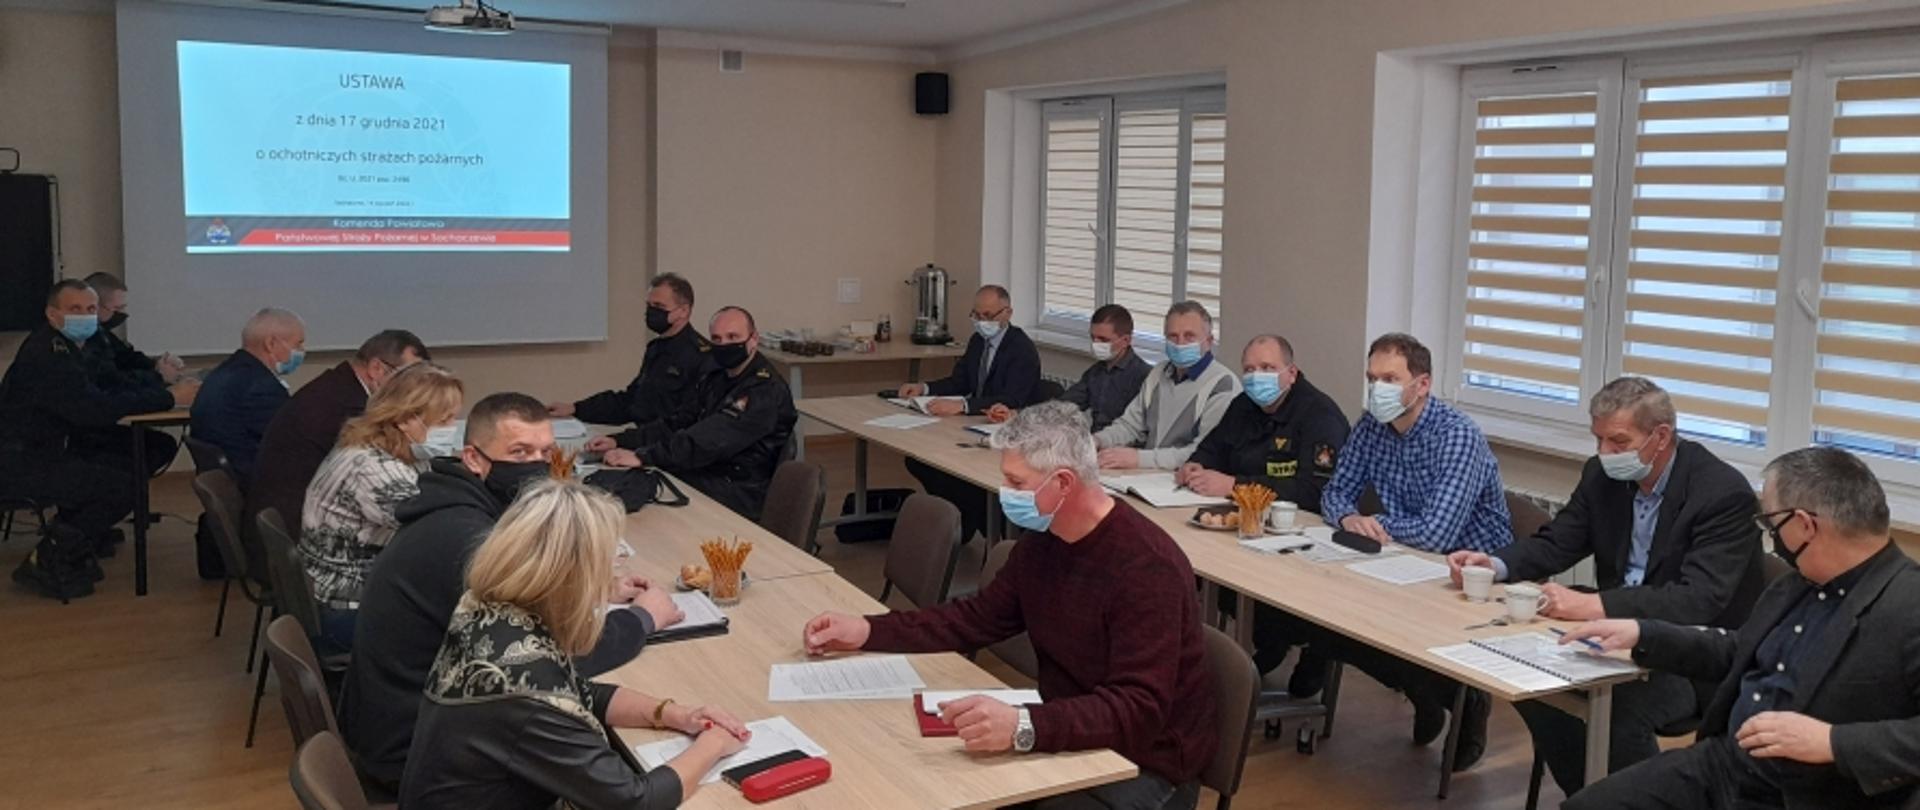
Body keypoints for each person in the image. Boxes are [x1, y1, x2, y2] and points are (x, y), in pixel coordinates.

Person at [802, 402, 1216, 810]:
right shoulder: (1045, 539)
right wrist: (869, 630)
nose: (1006, 495)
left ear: (1064, 483)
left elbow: (1137, 710)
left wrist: (1023, 726)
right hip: (1071, 727)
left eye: (1017, 484)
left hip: (1145, 763)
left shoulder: (1145, 568)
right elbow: (978, 617)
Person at [341, 392, 684, 793]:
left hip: (410, 719)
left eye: (544, 454)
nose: (535, 467)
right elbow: (554, 661)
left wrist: (597, 587)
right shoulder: (469, 544)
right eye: (519, 453)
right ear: (473, 458)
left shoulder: (456, 510)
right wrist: (644, 618)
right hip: (417, 749)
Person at [1447, 377, 1765, 793]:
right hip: (1609, 639)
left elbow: (1697, 600)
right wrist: (1496, 563)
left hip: (1689, 654)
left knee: (1619, 713)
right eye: (1598, 439)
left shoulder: (1721, 494)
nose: (1604, 453)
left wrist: (1594, 606)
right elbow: (1560, 541)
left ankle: (1639, 801)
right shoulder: (1602, 475)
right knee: (1531, 685)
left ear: (1661, 436)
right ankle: (1592, 797)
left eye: (1618, 441)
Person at [1563, 447, 1920, 810]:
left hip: (1810, 793)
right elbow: (1739, 651)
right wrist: (1644, 633)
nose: (1770, 536)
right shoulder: (1795, 584)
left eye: (1770, 523)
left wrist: (1833, 741)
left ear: (1804, 525)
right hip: (1726, 765)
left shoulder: (1909, 605)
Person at [401, 479, 752, 810]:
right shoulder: (524, 691)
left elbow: (578, 692)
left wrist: (676, 714)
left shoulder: (485, 612)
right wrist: (714, 744)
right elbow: (635, 802)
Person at [1318, 332, 1511, 770]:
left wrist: (1376, 524)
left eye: (1390, 378)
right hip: (1404, 558)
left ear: (1421, 384)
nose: (1377, 389)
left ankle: (1465, 701)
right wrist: (1349, 519)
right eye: (1372, 378)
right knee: (1337, 624)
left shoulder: (1457, 435)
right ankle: (1426, 691)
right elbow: (1334, 493)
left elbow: (1437, 534)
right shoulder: (1371, 424)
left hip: (1469, 571)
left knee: (1367, 623)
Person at [1178, 334, 1350, 688]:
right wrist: (1195, 465)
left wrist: (1235, 486)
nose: (1258, 377)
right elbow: (1213, 448)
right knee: (1196, 571)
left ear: (1291, 373)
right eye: (1250, 369)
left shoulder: (1320, 416)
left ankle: (1300, 648)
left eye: (1268, 368)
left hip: (1301, 539)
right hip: (1243, 532)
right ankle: (1266, 644)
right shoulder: (1243, 406)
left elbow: (1313, 492)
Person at [0, 280, 196, 569]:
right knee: (124, 487)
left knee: (142, 449)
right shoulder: (50, 355)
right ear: (52, 314)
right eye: (74, 309)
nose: (84, 315)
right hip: (25, 459)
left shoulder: (73, 346)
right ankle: (48, 558)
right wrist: (167, 397)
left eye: (90, 309)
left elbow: (106, 390)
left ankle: (80, 531)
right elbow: (94, 410)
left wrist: (161, 393)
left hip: (57, 443)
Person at [298, 364, 463, 653]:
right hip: (347, 609)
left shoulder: (374, 445)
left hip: (331, 587)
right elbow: (439, 532)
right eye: (445, 420)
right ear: (405, 420)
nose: (453, 428)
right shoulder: (373, 469)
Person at [595, 306, 796, 520]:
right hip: (708, 470)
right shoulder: (717, 377)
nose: (724, 344)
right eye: (717, 339)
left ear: (754, 339)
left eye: (733, 337)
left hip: (741, 488)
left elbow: (709, 440)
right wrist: (622, 441)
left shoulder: (764, 390)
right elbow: (679, 422)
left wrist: (644, 456)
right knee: (625, 486)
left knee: (648, 501)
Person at [249, 329, 430, 539]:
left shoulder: (339, 387)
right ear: (376, 368)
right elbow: (380, 478)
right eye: (408, 378)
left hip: (288, 517)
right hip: (298, 531)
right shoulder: (345, 408)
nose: (412, 388)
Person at [898, 285, 1043, 544]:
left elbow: (1012, 399)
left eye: (988, 315)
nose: (981, 322)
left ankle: (979, 522)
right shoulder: (978, 341)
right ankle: (963, 519)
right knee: (920, 460)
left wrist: (963, 406)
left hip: (1006, 434)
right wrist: (924, 388)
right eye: (976, 315)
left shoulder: (1022, 349)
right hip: (971, 426)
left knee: (960, 474)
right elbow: (960, 381)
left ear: (1007, 313)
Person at [550, 272, 711, 428]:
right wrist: (576, 408)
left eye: (659, 306)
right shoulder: (656, 348)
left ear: (683, 311)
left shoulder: (701, 356)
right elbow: (632, 401)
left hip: (669, 449)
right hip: (644, 443)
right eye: (649, 305)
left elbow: (684, 423)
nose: (651, 312)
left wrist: (621, 441)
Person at [1092, 301, 1240, 470]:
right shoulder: (1158, 373)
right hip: (1148, 477)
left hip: (1188, 483)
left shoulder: (1223, 385)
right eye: (1173, 336)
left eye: (1189, 336)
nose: (1180, 343)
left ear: (1209, 341)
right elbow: (1130, 426)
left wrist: (1139, 458)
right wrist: (1097, 441)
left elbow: (1204, 453)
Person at [986, 303, 1150, 432]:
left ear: (1126, 341)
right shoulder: (1096, 372)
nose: (1096, 344)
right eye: (1093, 337)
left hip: (1124, 453)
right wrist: (1016, 414)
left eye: (1103, 339)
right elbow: (1063, 406)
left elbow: (1141, 430)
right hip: (1095, 447)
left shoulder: (1143, 376)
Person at [190, 307, 306, 481]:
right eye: (298, 343)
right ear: (271, 344)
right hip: (256, 483)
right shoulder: (260, 387)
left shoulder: (225, 372)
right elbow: (291, 441)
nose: (303, 350)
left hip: (230, 476)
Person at [81, 271, 185, 390]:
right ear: (95, 307)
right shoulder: (85, 338)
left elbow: (126, 357)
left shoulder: (102, 332)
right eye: (117, 308)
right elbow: (111, 381)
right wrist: (158, 376)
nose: (121, 313)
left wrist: (158, 365)